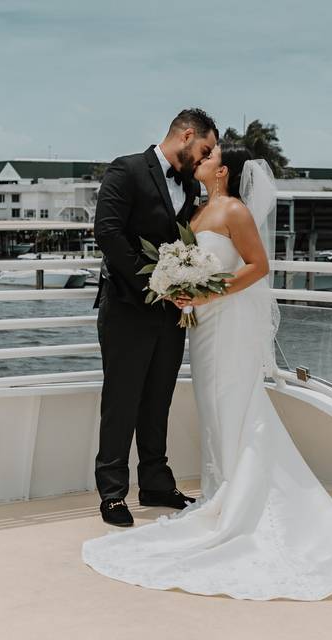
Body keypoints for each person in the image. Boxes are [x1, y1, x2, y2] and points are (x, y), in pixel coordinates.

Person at [82, 145, 332, 600]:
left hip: (224, 323)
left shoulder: (235, 211)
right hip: (199, 327)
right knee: (210, 405)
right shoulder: (198, 206)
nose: (200, 159)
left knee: (233, 402)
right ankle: (221, 487)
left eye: (209, 156)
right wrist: (179, 284)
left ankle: (240, 497)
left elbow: (259, 266)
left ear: (222, 171)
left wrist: (205, 292)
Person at [91, 108, 218, 526]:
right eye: (203, 150)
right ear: (185, 136)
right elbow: (108, 232)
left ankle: (156, 484)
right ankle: (112, 494)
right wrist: (154, 285)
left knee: (158, 398)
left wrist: (184, 287)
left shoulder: (188, 185)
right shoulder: (125, 170)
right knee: (121, 402)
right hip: (127, 307)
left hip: (171, 313)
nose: (203, 160)